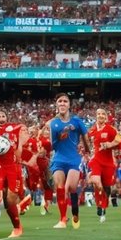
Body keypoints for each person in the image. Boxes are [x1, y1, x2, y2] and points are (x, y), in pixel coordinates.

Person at [48, 93, 89, 230]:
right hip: (59, 159)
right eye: (60, 101)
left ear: (69, 105)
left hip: (73, 159)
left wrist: (87, 150)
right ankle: (62, 220)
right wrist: (60, 137)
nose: (62, 103)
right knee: (60, 188)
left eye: (65, 101)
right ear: (57, 105)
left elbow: (85, 137)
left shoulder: (77, 121)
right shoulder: (53, 123)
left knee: (71, 187)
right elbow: (52, 145)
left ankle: (75, 210)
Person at [87, 108, 119, 223]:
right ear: (96, 116)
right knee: (97, 183)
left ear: (106, 116)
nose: (100, 116)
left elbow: (119, 140)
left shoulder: (111, 129)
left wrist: (110, 144)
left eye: (103, 114)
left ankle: (103, 206)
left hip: (108, 163)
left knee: (106, 187)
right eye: (98, 114)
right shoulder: (92, 129)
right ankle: (98, 203)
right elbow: (87, 141)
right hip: (96, 160)